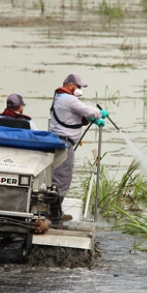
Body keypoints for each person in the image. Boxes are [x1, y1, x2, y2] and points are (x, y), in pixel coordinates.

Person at [49, 74, 108, 224]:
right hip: (64, 144)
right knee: (62, 180)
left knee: (56, 179)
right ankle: (53, 215)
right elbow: (88, 110)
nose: (80, 89)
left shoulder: (59, 98)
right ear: (70, 85)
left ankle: (54, 212)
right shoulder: (68, 99)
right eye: (78, 86)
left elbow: (73, 117)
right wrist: (100, 114)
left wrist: (89, 120)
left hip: (59, 142)